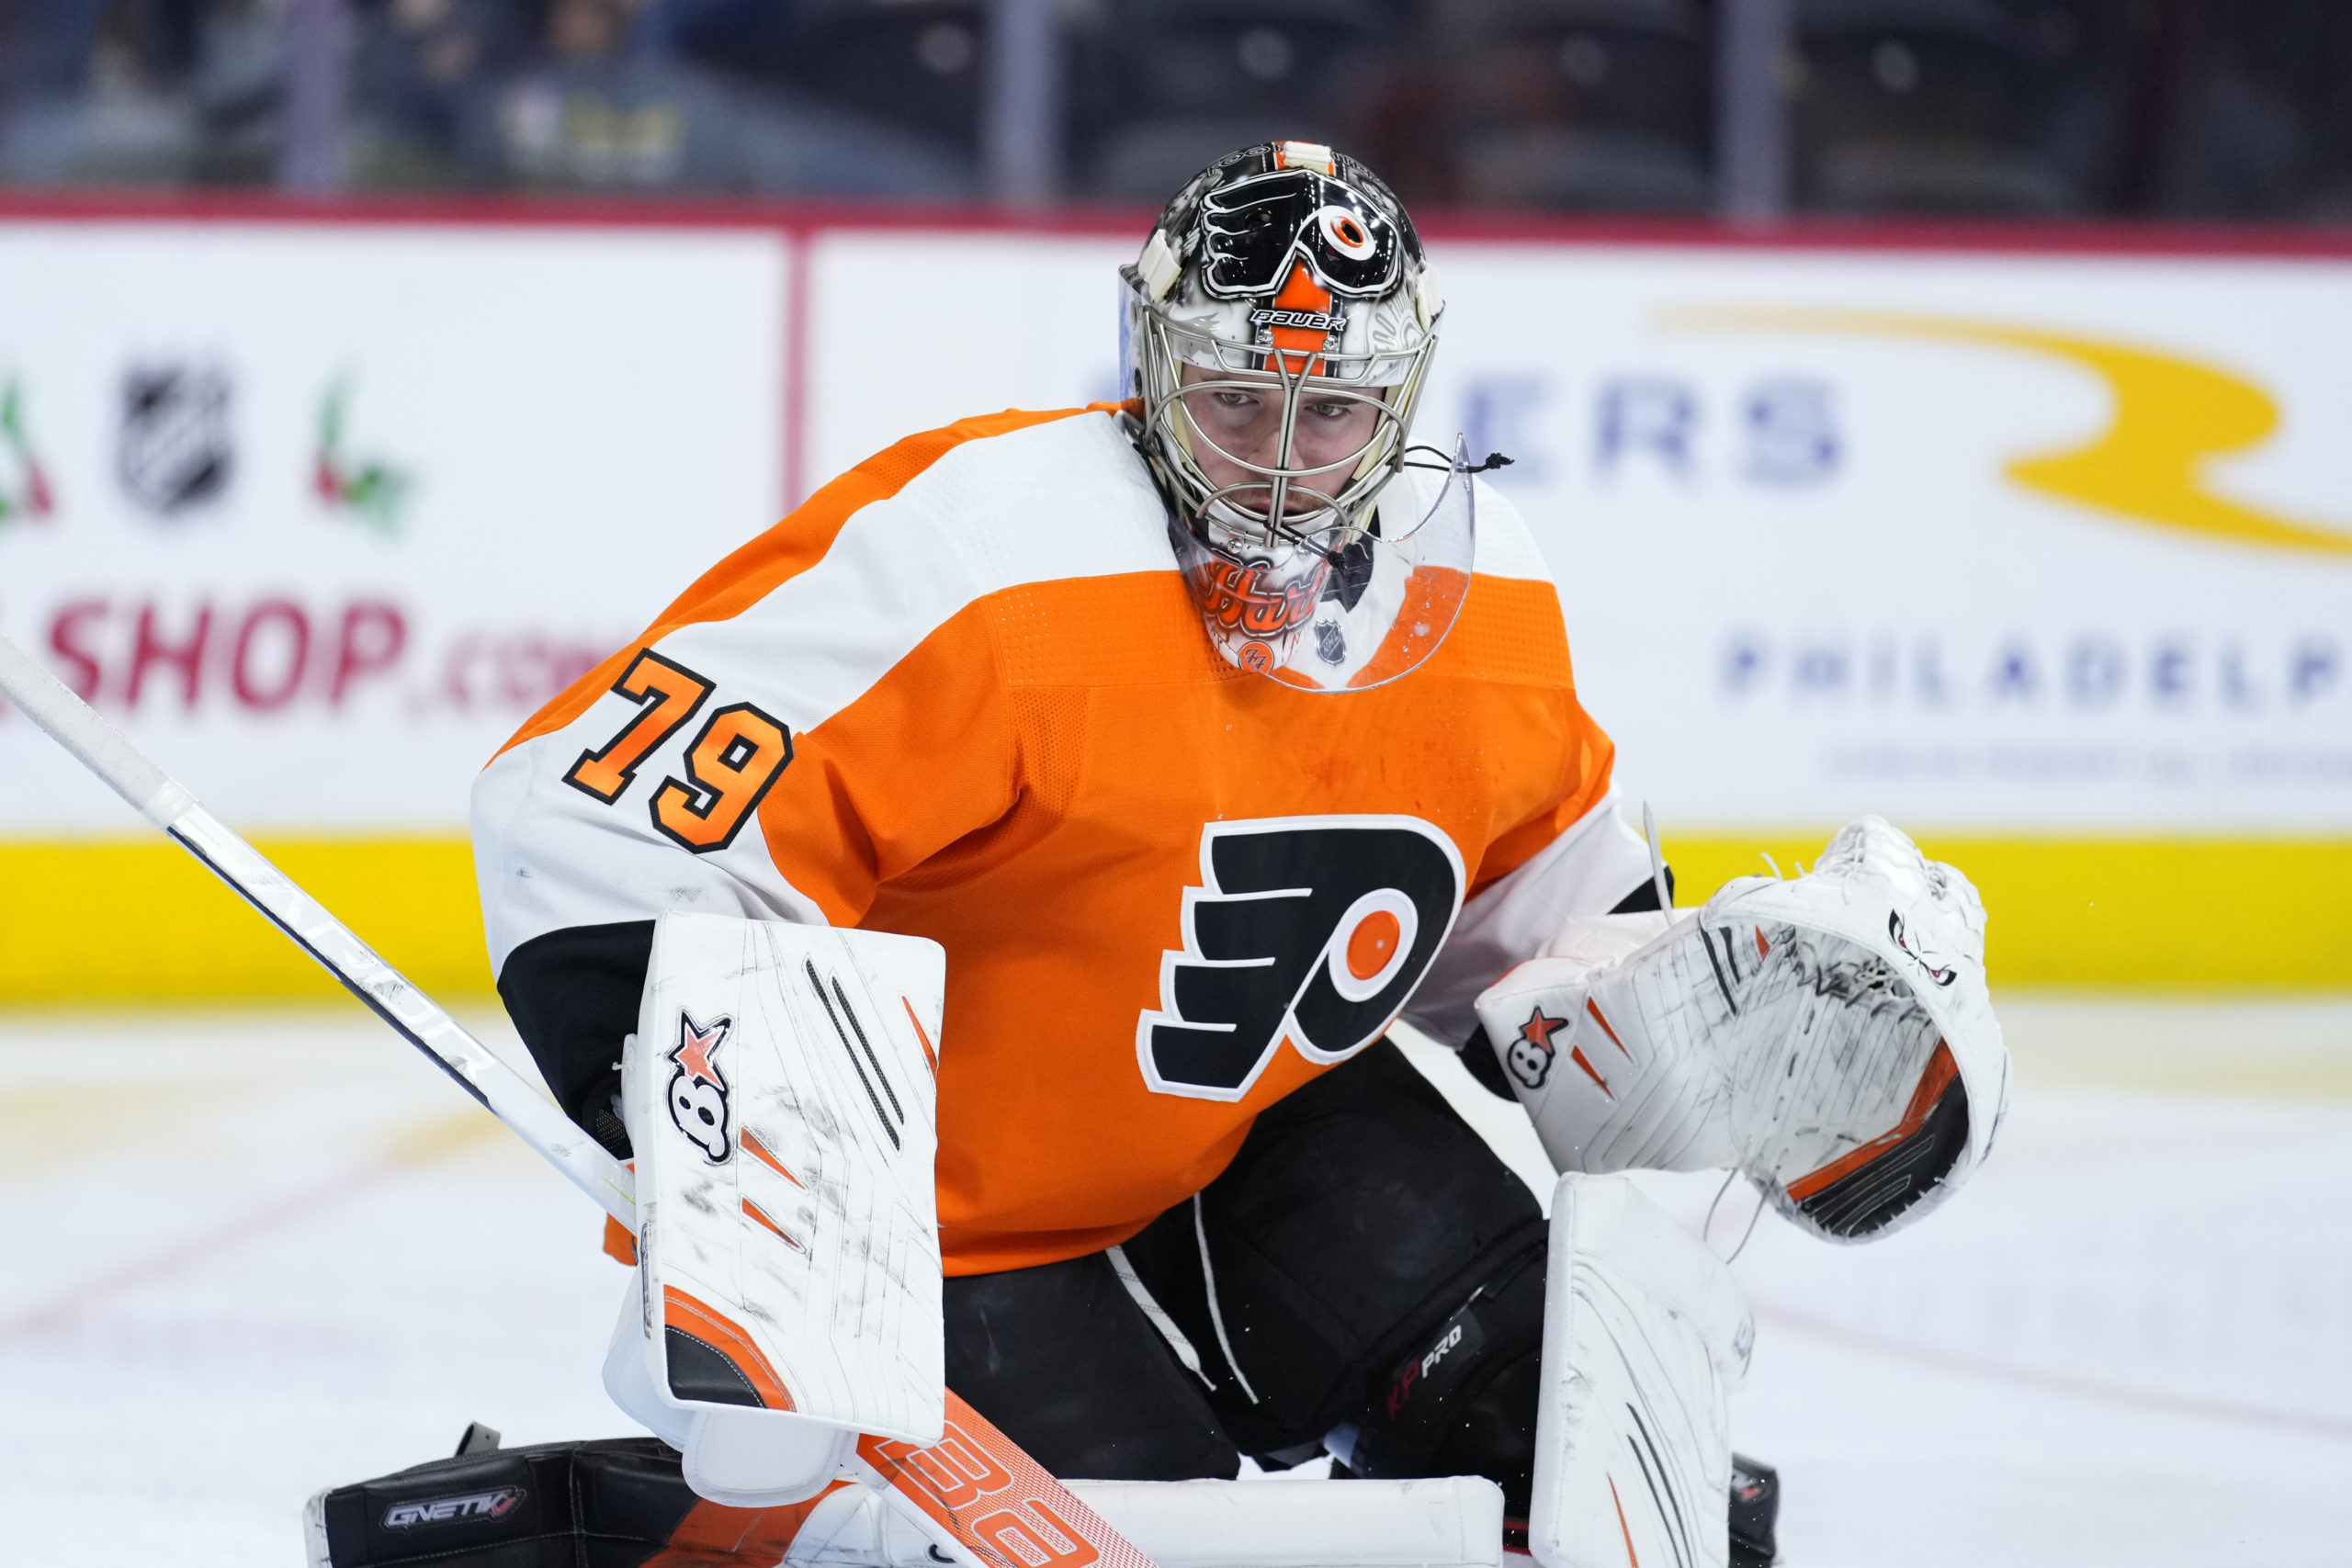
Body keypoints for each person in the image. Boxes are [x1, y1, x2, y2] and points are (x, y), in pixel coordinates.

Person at [444, 138, 1790, 1562]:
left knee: (1567, 1427)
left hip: (1234, 1152)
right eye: (1232, 400)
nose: (1279, 463)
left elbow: (1559, 936)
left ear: (1400, 402)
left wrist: (1764, 1052)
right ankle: (712, 1514)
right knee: (1147, 1527)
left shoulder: (1482, 588)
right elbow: (589, 813)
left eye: (1329, 409)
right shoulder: (996, 553)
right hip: (928, 1219)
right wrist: (740, 1165)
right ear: (1150, 365)